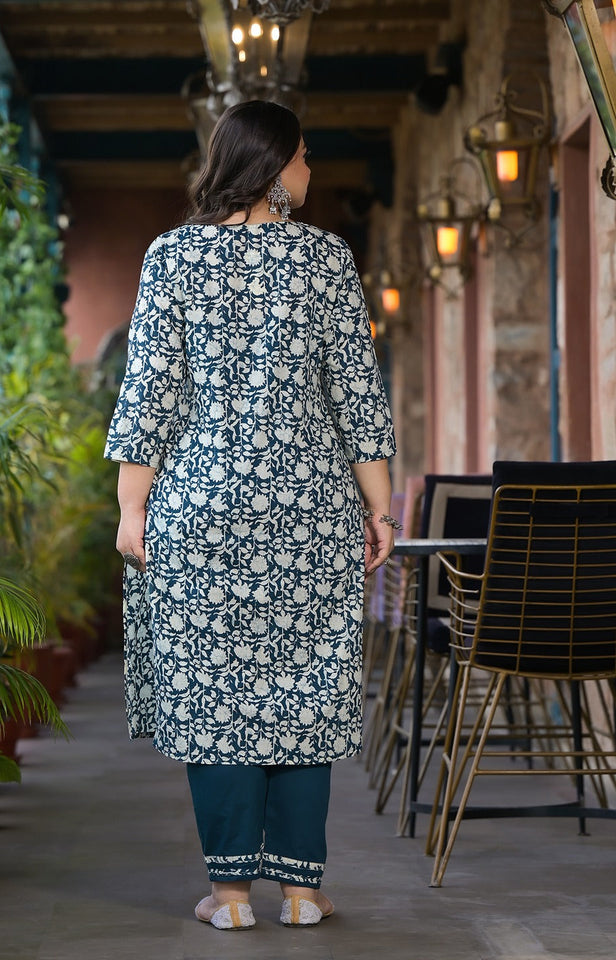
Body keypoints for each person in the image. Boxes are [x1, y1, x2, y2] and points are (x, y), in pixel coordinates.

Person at [104, 100, 397, 931]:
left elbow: (149, 394)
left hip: (201, 511)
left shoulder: (171, 258)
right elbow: (357, 397)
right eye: (303, 156)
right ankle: (301, 892)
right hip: (311, 511)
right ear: (272, 168)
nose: (309, 170)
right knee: (309, 689)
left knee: (214, 696)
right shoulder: (327, 259)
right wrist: (379, 508)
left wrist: (132, 508)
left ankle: (231, 897)